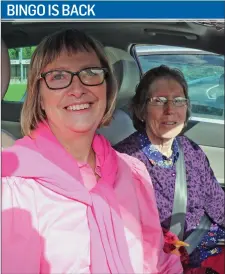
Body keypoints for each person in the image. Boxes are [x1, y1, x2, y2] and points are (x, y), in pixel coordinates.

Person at [1, 30, 182, 274]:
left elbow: (159, 264)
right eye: (57, 76)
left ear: (107, 89)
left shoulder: (133, 172)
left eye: (90, 73)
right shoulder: (14, 189)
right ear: (39, 97)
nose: (77, 88)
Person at [114, 65, 225, 274]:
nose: (170, 109)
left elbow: (217, 203)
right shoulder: (125, 162)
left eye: (179, 100)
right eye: (159, 100)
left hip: (212, 241)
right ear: (141, 110)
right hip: (177, 261)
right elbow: (135, 238)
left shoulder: (190, 150)